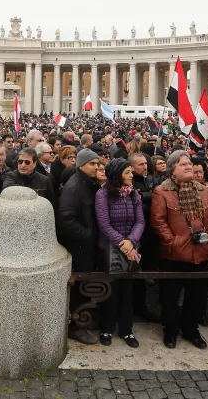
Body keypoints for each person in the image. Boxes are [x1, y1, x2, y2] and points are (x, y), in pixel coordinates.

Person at [151, 150, 208, 349]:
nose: (189, 166)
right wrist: (172, 242)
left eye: (189, 163)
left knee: (196, 297)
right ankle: (170, 331)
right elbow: (158, 221)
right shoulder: (161, 191)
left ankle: (191, 330)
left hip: (201, 252)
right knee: (170, 298)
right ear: (172, 170)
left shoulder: (203, 190)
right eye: (183, 164)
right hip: (174, 255)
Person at [94, 159, 144, 348]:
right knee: (111, 291)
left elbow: (140, 221)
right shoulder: (103, 195)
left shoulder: (134, 194)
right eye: (128, 172)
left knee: (127, 291)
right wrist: (122, 243)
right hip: (109, 248)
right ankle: (107, 327)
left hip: (131, 247)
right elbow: (104, 224)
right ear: (117, 175)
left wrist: (131, 241)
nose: (132, 175)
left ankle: (126, 329)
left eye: (131, 172)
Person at [58, 149, 101, 345]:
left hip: (88, 246)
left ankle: (84, 319)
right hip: (79, 247)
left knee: (85, 286)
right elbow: (66, 219)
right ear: (81, 165)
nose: (97, 167)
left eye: (98, 163)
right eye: (92, 164)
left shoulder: (89, 183)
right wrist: (87, 234)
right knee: (78, 288)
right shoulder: (74, 187)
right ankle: (76, 326)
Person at [128, 153, 158, 319]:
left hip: (148, 234)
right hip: (135, 235)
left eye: (146, 164)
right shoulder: (131, 182)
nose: (145, 167)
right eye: (141, 165)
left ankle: (140, 305)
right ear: (131, 167)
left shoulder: (148, 180)